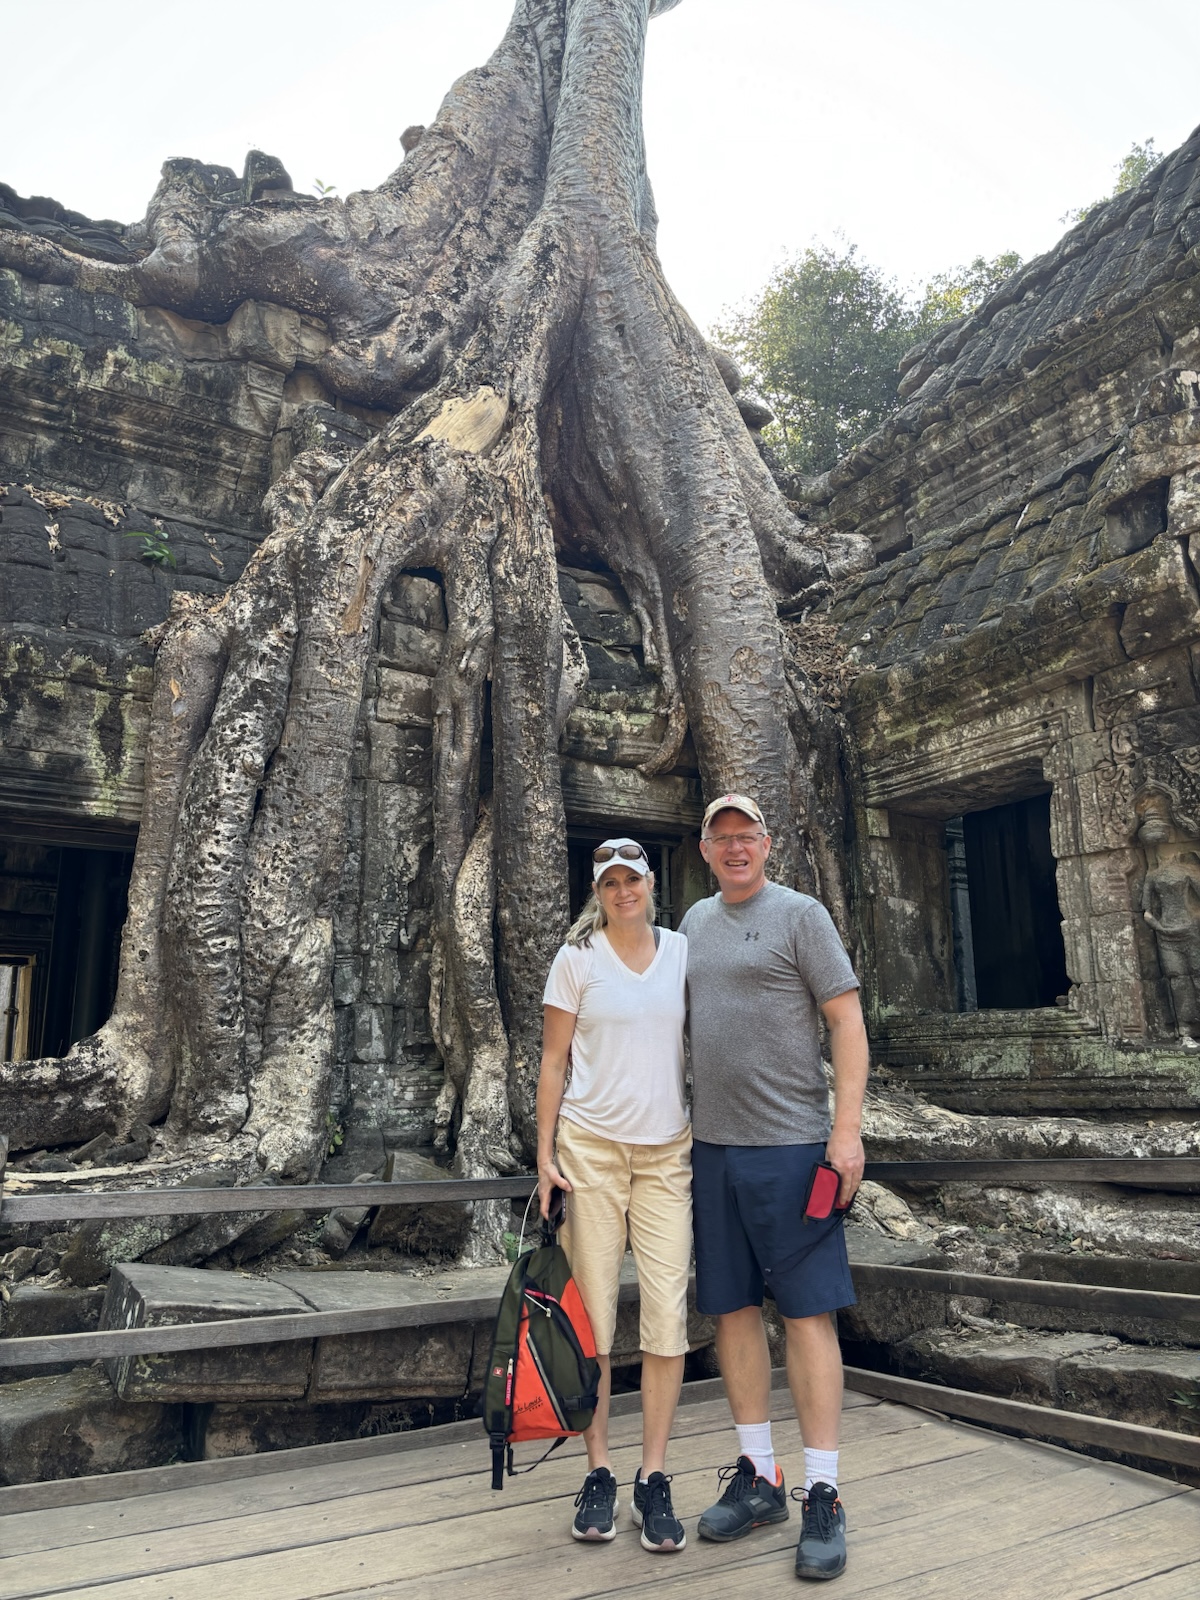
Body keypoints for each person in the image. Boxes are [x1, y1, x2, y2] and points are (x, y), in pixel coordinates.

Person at [679, 794, 868, 1583]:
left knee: (805, 1313)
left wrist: (846, 1131)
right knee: (730, 1309)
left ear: (766, 843)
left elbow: (846, 1020)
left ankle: (823, 1489)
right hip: (713, 1149)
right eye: (721, 837)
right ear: (705, 848)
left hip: (791, 1147)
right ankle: (759, 1476)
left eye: (746, 836)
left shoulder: (801, 916)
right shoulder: (693, 924)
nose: (735, 848)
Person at [536, 836, 692, 1554]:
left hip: (666, 1154)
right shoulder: (577, 960)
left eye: (633, 879)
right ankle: (597, 1471)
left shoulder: (682, 952)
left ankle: (653, 1476)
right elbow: (554, 1060)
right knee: (592, 1320)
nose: (623, 891)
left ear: (651, 883)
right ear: (597, 892)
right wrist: (544, 1158)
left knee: (666, 1316)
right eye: (610, 883)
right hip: (591, 1151)